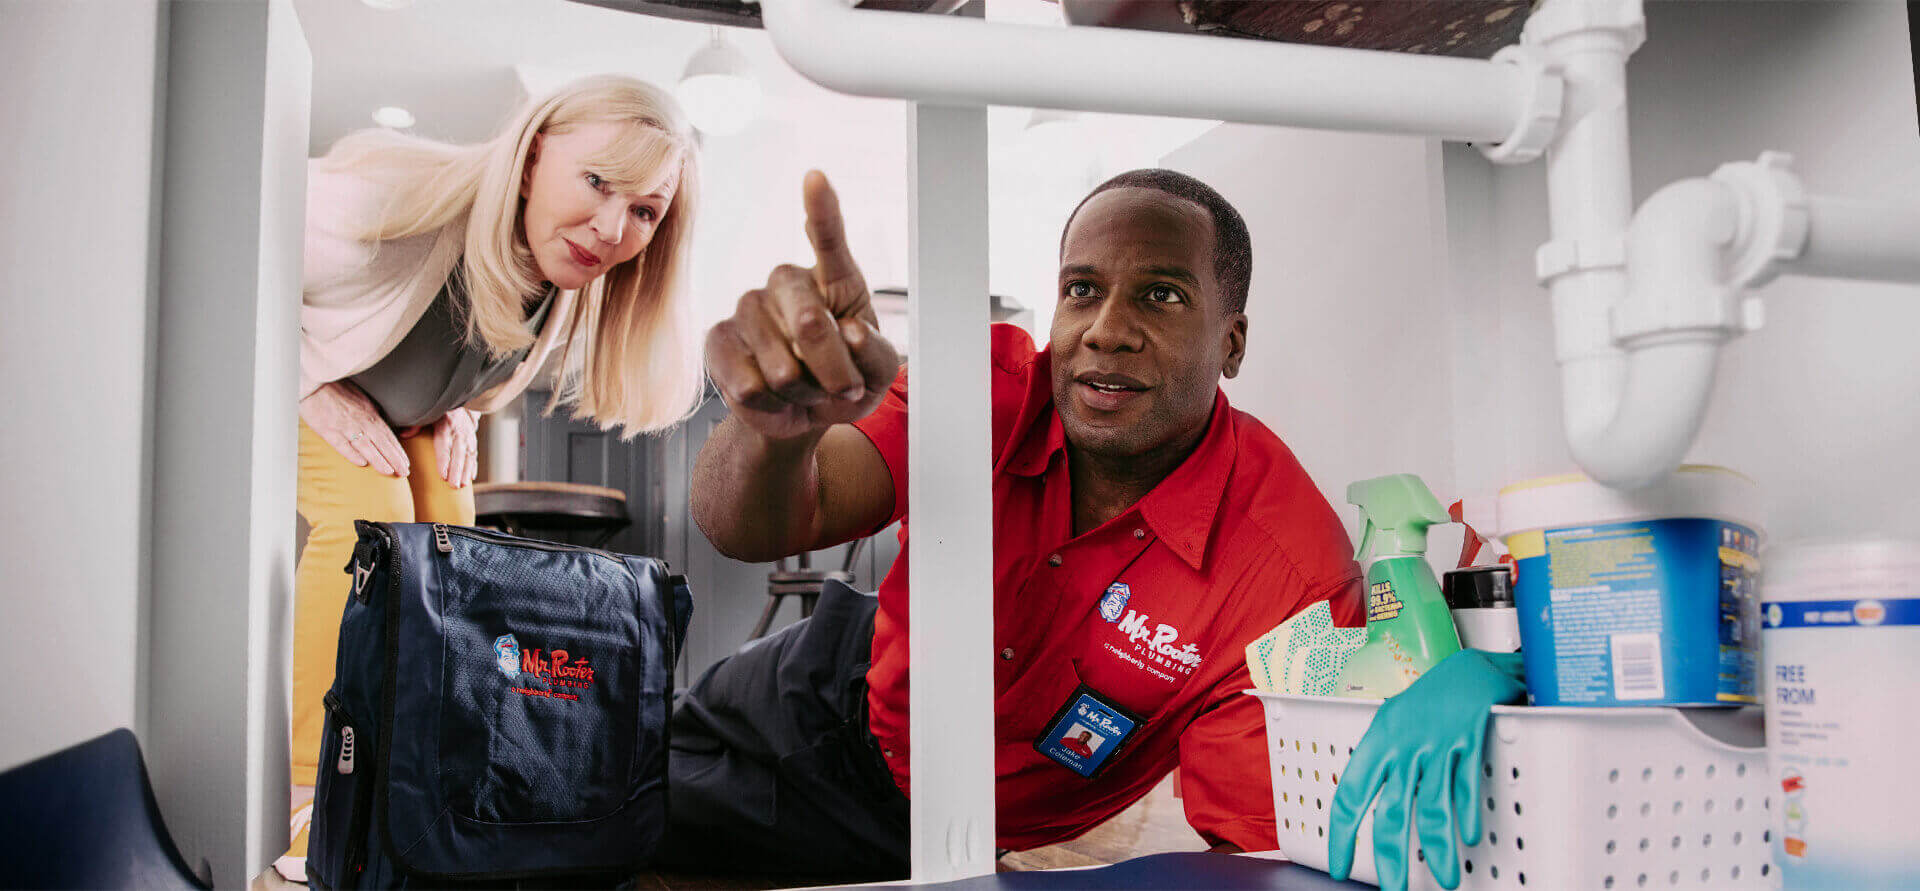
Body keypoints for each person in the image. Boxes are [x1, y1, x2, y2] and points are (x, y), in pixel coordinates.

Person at [663, 168, 1363, 878]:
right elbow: (746, 526)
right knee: (599, 794)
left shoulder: (1299, 578)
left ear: (1232, 343)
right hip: (832, 691)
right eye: (1081, 289)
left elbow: (1270, 848)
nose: (1106, 330)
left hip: (971, 837)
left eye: (1162, 294)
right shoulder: (986, 387)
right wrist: (774, 435)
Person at [281, 74, 702, 881]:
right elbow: (232, 238)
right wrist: (303, 376)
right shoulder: (389, 198)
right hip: (284, 397)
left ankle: (419, 779)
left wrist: (455, 409)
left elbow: (450, 347)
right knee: (372, 522)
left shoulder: (563, 276)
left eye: (645, 210)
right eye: (597, 181)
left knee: (451, 545)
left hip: (393, 415)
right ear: (536, 149)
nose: (613, 227)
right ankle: (316, 800)